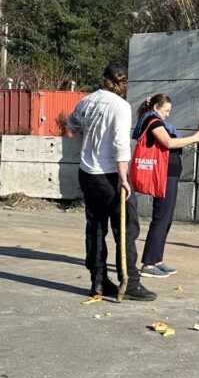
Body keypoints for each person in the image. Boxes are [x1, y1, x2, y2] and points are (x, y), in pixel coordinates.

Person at [67, 62, 156, 301]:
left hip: (87, 172)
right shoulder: (121, 106)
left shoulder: (87, 101)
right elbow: (120, 145)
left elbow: (72, 124)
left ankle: (98, 281)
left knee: (95, 228)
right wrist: (124, 179)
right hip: (109, 175)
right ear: (123, 83)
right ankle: (130, 282)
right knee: (126, 229)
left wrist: (84, 149)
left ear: (103, 78)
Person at [132, 93, 199, 278]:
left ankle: (157, 259)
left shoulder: (154, 119)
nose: (167, 115)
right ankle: (148, 264)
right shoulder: (153, 121)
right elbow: (168, 142)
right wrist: (195, 137)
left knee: (166, 218)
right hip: (163, 175)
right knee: (161, 217)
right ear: (157, 107)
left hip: (170, 174)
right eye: (166, 111)